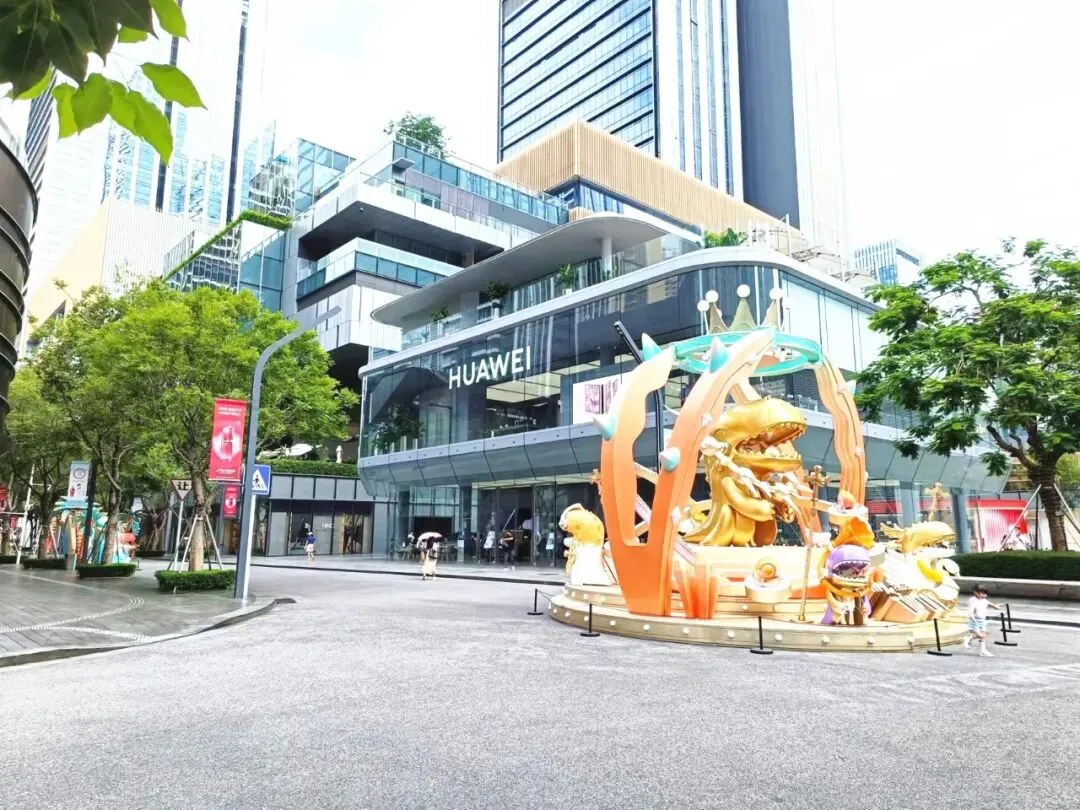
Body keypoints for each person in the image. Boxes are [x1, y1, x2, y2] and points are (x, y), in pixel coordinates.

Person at [963, 585, 1004, 657]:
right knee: (980, 635)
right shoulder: (973, 600)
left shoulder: (984, 600)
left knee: (983, 636)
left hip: (982, 621)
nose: (984, 595)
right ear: (976, 593)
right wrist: (971, 616)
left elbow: (992, 605)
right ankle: (968, 638)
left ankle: (982, 650)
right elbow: (971, 610)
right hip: (975, 620)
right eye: (982, 593)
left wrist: (997, 607)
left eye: (984, 593)